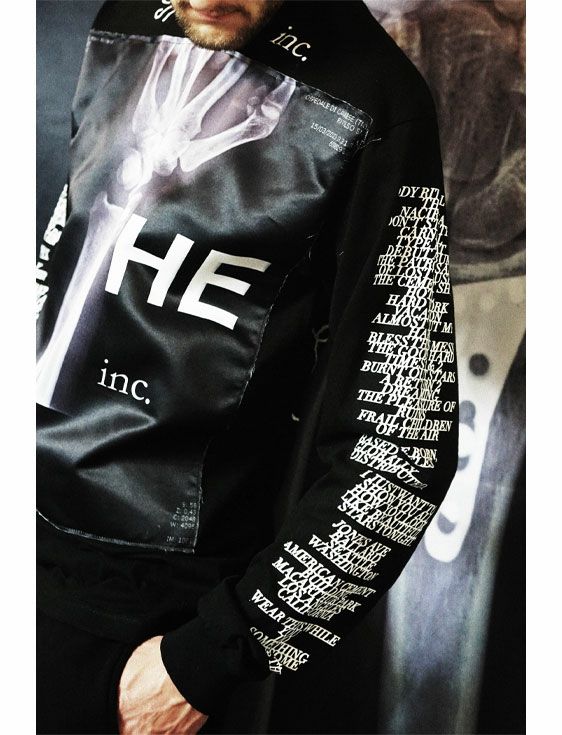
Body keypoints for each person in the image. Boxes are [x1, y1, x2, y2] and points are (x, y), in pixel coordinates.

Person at [36, 1, 459, 733]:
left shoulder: (376, 100)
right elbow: (59, 266)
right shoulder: (129, 13)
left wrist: (206, 663)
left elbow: (405, 439)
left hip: (145, 623)